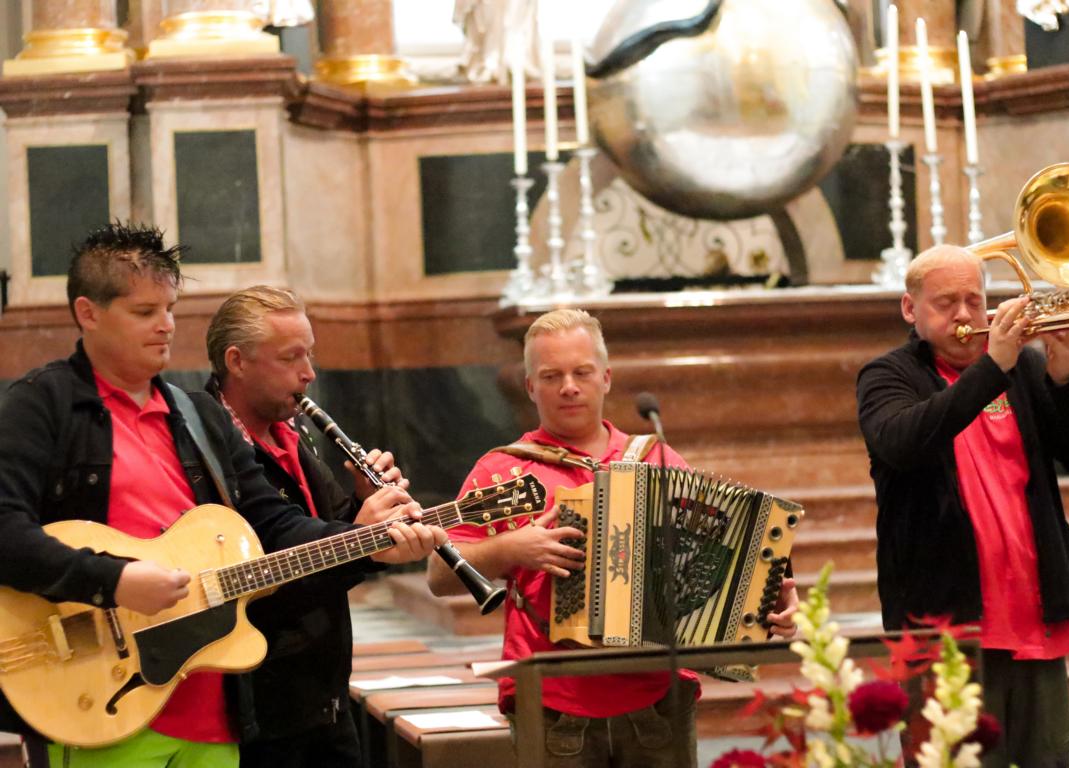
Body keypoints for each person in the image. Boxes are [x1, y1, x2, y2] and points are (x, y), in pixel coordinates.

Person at [0, 223, 444, 768]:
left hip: (211, 704)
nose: (165, 326)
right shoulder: (40, 405)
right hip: (96, 699)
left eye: (169, 309)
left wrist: (368, 544)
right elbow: (5, 533)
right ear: (88, 313)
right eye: (144, 312)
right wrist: (112, 579)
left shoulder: (199, 416)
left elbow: (275, 527)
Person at [427, 308, 799, 767]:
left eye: (581, 372)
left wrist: (769, 607)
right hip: (552, 700)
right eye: (551, 375)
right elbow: (439, 573)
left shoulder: (656, 459)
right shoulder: (502, 470)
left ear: (605, 377)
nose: (568, 386)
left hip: (658, 698)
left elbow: (716, 563)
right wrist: (510, 549)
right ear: (529, 387)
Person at [856, 245, 1069, 767]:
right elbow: (906, 442)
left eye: (974, 301)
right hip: (944, 628)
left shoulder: (1021, 372)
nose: (963, 316)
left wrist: (1064, 375)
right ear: (911, 309)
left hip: (1034, 619)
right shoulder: (887, 377)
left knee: (1048, 757)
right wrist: (994, 365)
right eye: (945, 302)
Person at [204, 285, 421, 767]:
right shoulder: (209, 445)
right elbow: (273, 553)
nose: (310, 373)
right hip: (261, 706)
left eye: (311, 355)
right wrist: (364, 535)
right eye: (291, 358)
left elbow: (322, 540)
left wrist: (366, 508)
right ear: (236, 361)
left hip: (324, 693)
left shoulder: (294, 435)